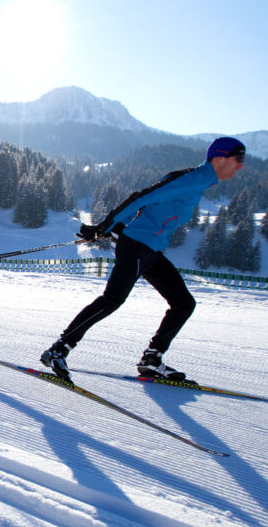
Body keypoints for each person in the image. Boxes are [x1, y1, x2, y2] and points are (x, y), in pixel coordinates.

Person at [40, 137, 246, 383]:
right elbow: (141, 198)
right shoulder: (191, 180)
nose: (240, 166)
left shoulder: (198, 181)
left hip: (150, 250)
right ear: (220, 158)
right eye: (238, 159)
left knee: (183, 303)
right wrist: (105, 226)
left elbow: (152, 209)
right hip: (137, 246)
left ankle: (151, 359)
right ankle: (59, 349)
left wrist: (115, 227)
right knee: (112, 299)